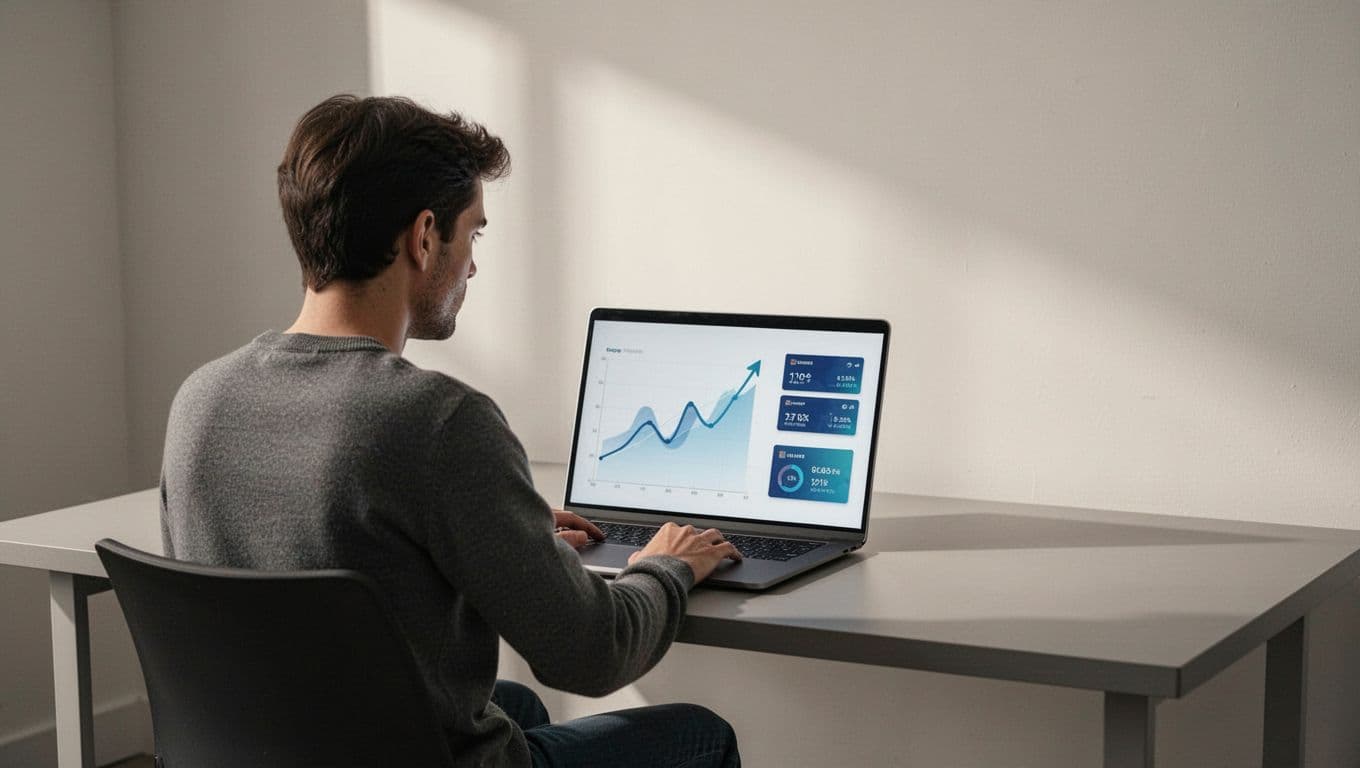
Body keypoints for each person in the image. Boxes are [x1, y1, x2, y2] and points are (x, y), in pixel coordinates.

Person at [159, 94, 743, 767]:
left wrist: (496, 537)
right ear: (424, 236)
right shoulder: (438, 422)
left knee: (512, 707)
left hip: (279, 749)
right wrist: (666, 566)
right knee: (701, 736)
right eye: (474, 235)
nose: (472, 265)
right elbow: (592, 652)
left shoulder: (201, 399)